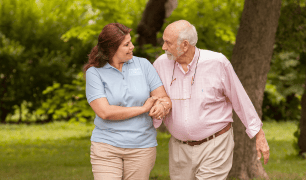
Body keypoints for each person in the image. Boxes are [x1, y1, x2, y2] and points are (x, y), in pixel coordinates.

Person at [152, 20, 270, 180]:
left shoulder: (217, 63)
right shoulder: (160, 64)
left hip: (215, 145)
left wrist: (258, 134)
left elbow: (239, 97)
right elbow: (153, 98)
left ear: (185, 45)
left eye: (168, 43)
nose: (163, 47)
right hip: (179, 148)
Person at [84, 23, 172, 180]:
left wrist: (161, 106)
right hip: (106, 146)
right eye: (126, 44)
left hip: (142, 147)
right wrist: (143, 108)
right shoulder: (94, 73)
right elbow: (105, 112)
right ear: (112, 48)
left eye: (131, 42)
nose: (132, 47)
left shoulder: (143, 65)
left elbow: (163, 98)